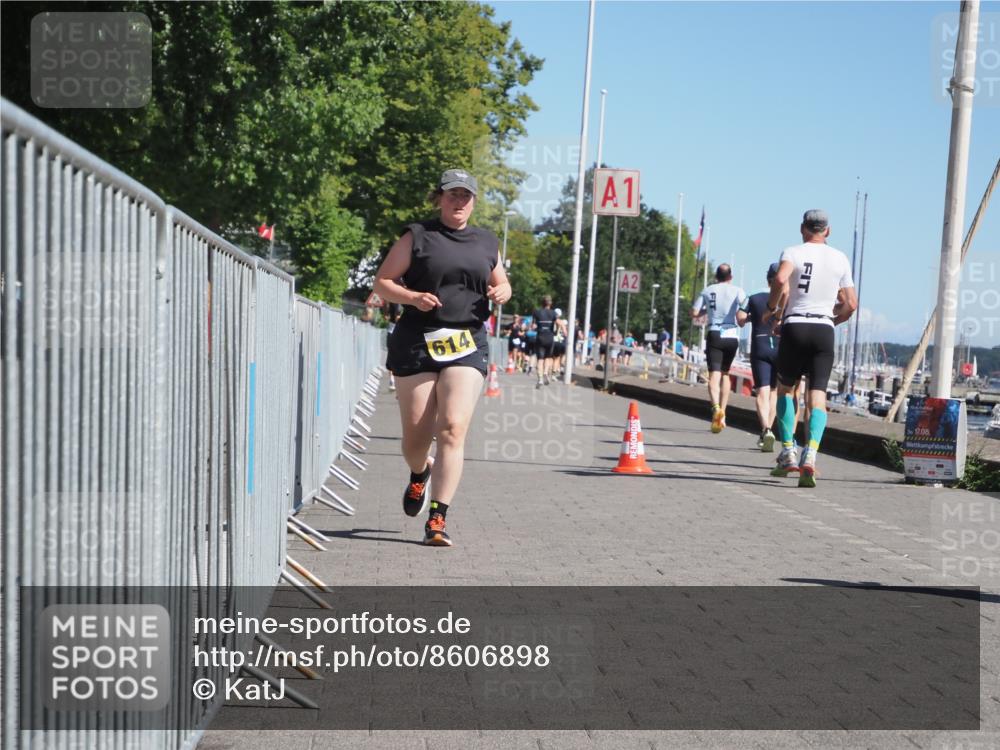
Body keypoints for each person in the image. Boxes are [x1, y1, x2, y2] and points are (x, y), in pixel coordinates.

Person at [374, 168, 512, 545]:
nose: (458, 201)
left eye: (465, 195)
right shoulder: (417, 236)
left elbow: (501, 282)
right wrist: (413, 297)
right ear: (440, 197)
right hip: (417, 341)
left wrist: (503, 292)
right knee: (416, 440)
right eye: (452, 194)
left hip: (466, 342)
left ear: (474, 202)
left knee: (452, 428)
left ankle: (438, 518)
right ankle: (420, 473)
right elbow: (383, 283)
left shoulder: (486, 242)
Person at [766, 209, 857, 487]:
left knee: (786, 389)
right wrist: (833, 320)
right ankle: (811, 456)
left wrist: (772, 310)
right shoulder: (840, 257)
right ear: (827, 231)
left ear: (802, 228)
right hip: (823, 329)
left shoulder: (792, 252)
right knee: (817, 397)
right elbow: (851, 304)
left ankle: (788, 452)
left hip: (795, 325)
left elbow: (781, 280)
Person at [691, 264, 748, 433]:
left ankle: (715, 407)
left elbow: (694, 312)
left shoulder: (708, 290)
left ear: (716, 276)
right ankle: (723, 413)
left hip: (715, 332)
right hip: (731, 335)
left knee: (714, 374)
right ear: (730, 276)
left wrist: (705, 312)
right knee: (725, 374)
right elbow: (745, 306)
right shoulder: (738, 290)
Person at [737, 263, 782, 451]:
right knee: (773, 392)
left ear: (767, 278)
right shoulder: (786, 298)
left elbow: (739, 319)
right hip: (780, 346)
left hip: (760, 344)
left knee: (762, 392)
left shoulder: (753, 296)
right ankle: (769, 429)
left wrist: (751, 318)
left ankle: (766, 430)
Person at [532, 295, 558, 387]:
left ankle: (540, 379)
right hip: (550, 337)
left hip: (540, 337)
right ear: (550, 303)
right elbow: (557, 323)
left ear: (542, 303)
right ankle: (546, 372)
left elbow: (533, 326)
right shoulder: (554, 313)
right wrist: (556, 332)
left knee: (540, 359)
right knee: (548, 357)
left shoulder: (536, 312)